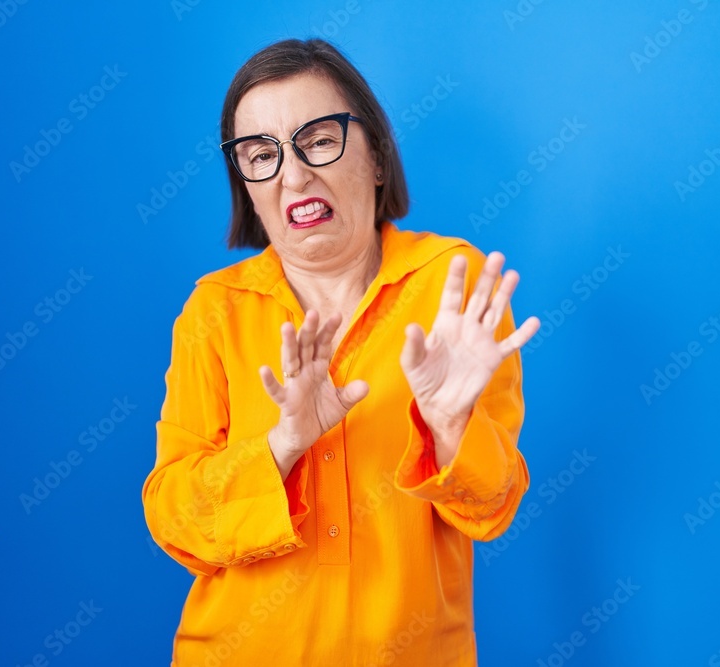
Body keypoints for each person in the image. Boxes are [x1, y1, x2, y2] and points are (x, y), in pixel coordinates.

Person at [141, 38, 540, 665]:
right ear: (245, 184)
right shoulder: (213, 311)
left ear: (377, 156)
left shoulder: (451, 285)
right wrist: (283, 444)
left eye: (319, 139)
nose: (293, 174)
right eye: (260, 155)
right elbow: (173, 518)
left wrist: (450, 425)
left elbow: (491, 509)